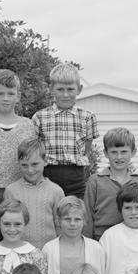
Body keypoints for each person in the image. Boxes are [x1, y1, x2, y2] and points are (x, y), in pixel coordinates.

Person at [32, 62, 99, 199]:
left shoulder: (87, 117)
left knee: (74, 210)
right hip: (48, 176)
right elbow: (35, 149)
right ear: (51, 89)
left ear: (79, 89)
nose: (65, 94)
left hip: (76, 178)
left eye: (70, 89)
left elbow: (86, 149)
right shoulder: (39, 117)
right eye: (60, 89)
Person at [83, 127, 138, 240]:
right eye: (114, 152)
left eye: (124, 152)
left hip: (134, 239)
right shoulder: (95, 181)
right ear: (106, 153)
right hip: (101, 239)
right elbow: (87, 215)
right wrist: (88, 243)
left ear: (133, 152)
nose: (119, 157)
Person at [4, 138, 65, 249]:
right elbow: (6, 225)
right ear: (18, 164)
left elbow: (60, 226)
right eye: (24, 165)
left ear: (45, 161)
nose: (30, 170)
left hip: (48, 252)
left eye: (35, 164)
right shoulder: (11, 191)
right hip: (19, 251)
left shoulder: (56, 191)